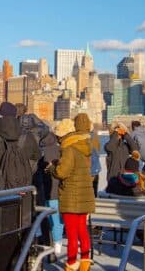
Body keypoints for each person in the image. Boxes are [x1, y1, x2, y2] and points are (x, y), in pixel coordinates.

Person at [47, 113, 96, 271]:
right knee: (82, 230)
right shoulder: (83, 146)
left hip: (71, 196)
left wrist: (52, 168)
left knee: (72, 232)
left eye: (59, 137)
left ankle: (71, 263)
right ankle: (85, 262)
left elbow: (62, 172)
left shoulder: (69, 149)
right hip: (84, 194)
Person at [0, 102, 40, 187]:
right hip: (21, 186)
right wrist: (25, 170)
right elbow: (36, 156)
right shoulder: (28, 136)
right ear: (16, 116)